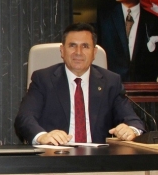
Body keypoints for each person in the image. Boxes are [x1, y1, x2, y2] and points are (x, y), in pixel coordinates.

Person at [15, 23, 145, 145]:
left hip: (99, 157)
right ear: (62, 51)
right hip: (56, 154)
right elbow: (24, 118)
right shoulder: (43, 79)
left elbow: (133, 120)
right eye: (72, 45)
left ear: (94, 53)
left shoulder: (111, 82)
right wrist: (42, 136)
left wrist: (131, 130)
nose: (78, 52)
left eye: (85, 46)